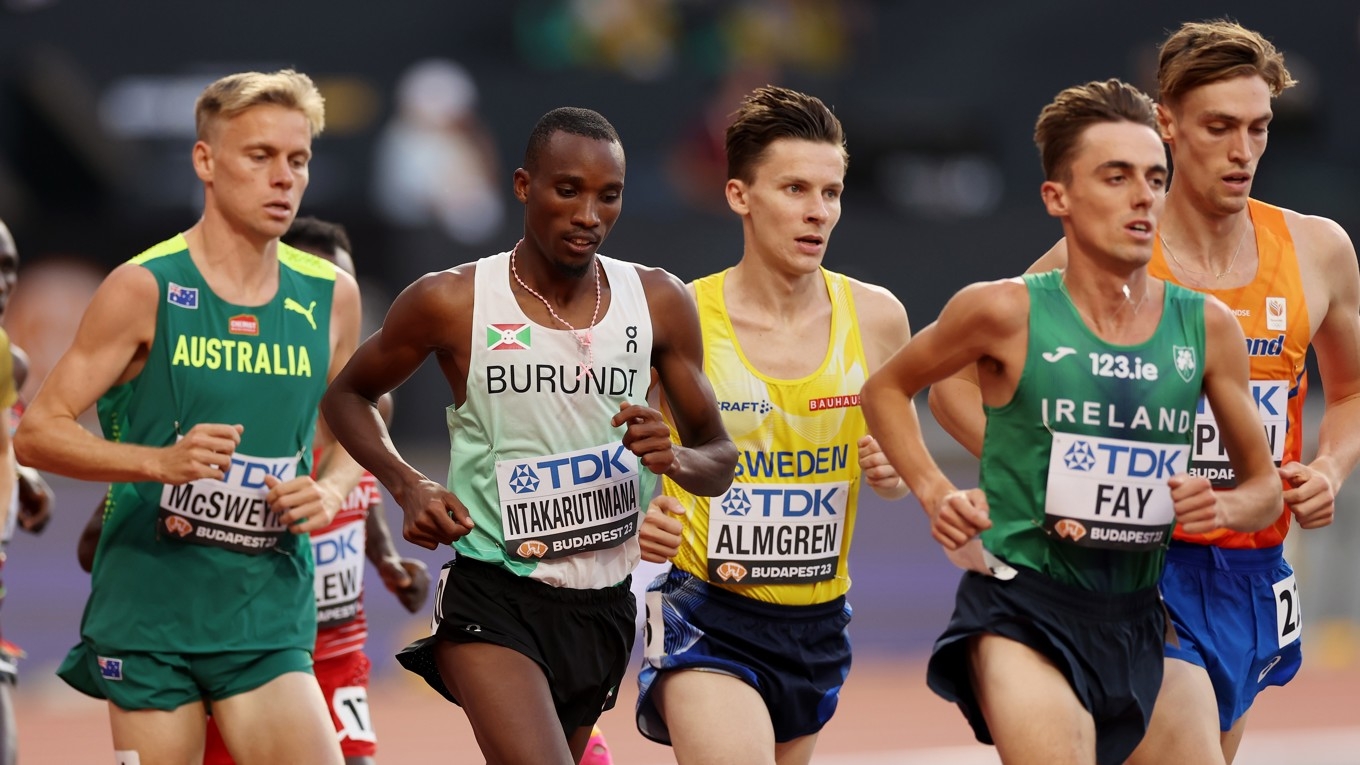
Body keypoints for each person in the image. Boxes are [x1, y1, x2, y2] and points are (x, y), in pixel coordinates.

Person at [927, 21, 1360, 765]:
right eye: (1219, 127)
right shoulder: (1103, 251)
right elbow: (953, 384)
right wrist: (1047, 476)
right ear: (1165, 122)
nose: (1243, 151)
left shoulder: (1318, 251)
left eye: (1259, 128)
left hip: (1251, 571)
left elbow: (1350, 390)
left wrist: (1329, 468)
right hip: (1135, 566)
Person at [860, 78, 1283, 765]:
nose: (1143, 195)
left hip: (1144, 614)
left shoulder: (1207, 327)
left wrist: (1225, 502)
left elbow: (1263, 488)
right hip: (1025, 609)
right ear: (1058, 197)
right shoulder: (1001, 310)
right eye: (1115, 177)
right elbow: (887, 388)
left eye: (1154, 177)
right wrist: (936, 491)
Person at [320, 106, 737, 765]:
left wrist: (678, 455)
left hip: (603, 608)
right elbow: (347, 394)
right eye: (567, 189)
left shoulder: (658, 302)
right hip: (494, 594)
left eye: (609, 195)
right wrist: (408, 483)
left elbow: (721, 457)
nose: (588, 214)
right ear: (522, 186)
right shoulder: (452, 300)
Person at [13, 69, 363, 765]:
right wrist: (155, 462)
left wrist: (329, 488)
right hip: (151, 613)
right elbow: (38, 429)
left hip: (265, 608)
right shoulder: (143, 286)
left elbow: (356, 421)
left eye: (297, 161)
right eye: (259, 156)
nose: (282, 179)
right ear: (206, 161)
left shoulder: (332, 296)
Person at [632, 85, 910, 765]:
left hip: (817, 620)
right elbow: (614, 441)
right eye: (794, 188)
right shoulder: (679, 315)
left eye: (832, 192)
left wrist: (897, 473)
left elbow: (905, 472)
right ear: (739, 196)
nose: (818, 212)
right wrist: (638, 512)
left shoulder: (877, 319)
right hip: (704, 608)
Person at [0, 219, 55, 765]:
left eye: (10, 267)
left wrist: (25, 479)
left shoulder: (7, 361)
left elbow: (6, 444)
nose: (2, 281)